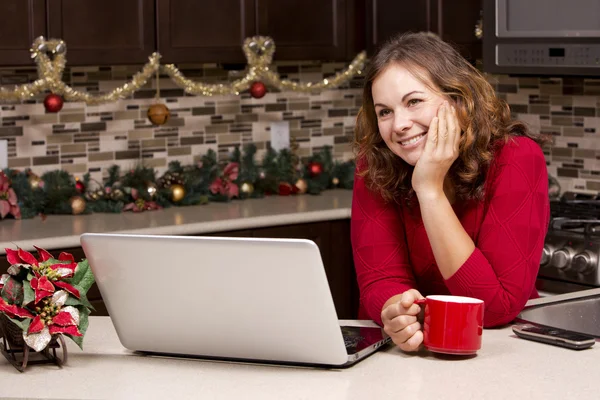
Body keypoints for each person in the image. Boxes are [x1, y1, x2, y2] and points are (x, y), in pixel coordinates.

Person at [351, 31, 550, 352]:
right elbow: (379, 279)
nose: (398, 124)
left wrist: (429, 190)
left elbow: (496, 307)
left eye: (414, 101)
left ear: (458, 100)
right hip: (405, 356)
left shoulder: (516, 157)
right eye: (384, 111)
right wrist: (395, 311)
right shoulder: (374, 165)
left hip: (499, 354)